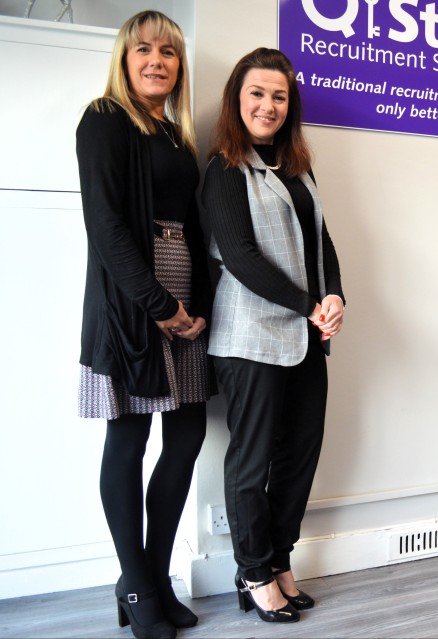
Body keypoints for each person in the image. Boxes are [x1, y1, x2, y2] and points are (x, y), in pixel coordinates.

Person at [76, 10, 210, 639]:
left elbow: (193, 224)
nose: (157, 60)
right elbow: (105, 227)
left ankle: (156, 575)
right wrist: (160, 306)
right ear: (124, 59)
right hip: (133, 301)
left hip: (185, 299)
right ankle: (134, 582)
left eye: (169, 51)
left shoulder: (177, 137)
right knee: (128, 440)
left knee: (186, 437)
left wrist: (197, 303)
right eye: (144, 50)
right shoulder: (104, 119)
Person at [202, 48, 344, 623]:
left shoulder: (298, 167)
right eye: (257, 93)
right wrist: (310, 306)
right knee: (252, 459)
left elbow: (321, 241)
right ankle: (254, 571)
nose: (268, 105)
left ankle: (280, 558)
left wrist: (335, 296)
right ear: (237, 100)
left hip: (306, 335)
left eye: (279, 96)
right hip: (250, 338)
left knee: (299, 456)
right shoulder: (224, 169)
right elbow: (240, 257)